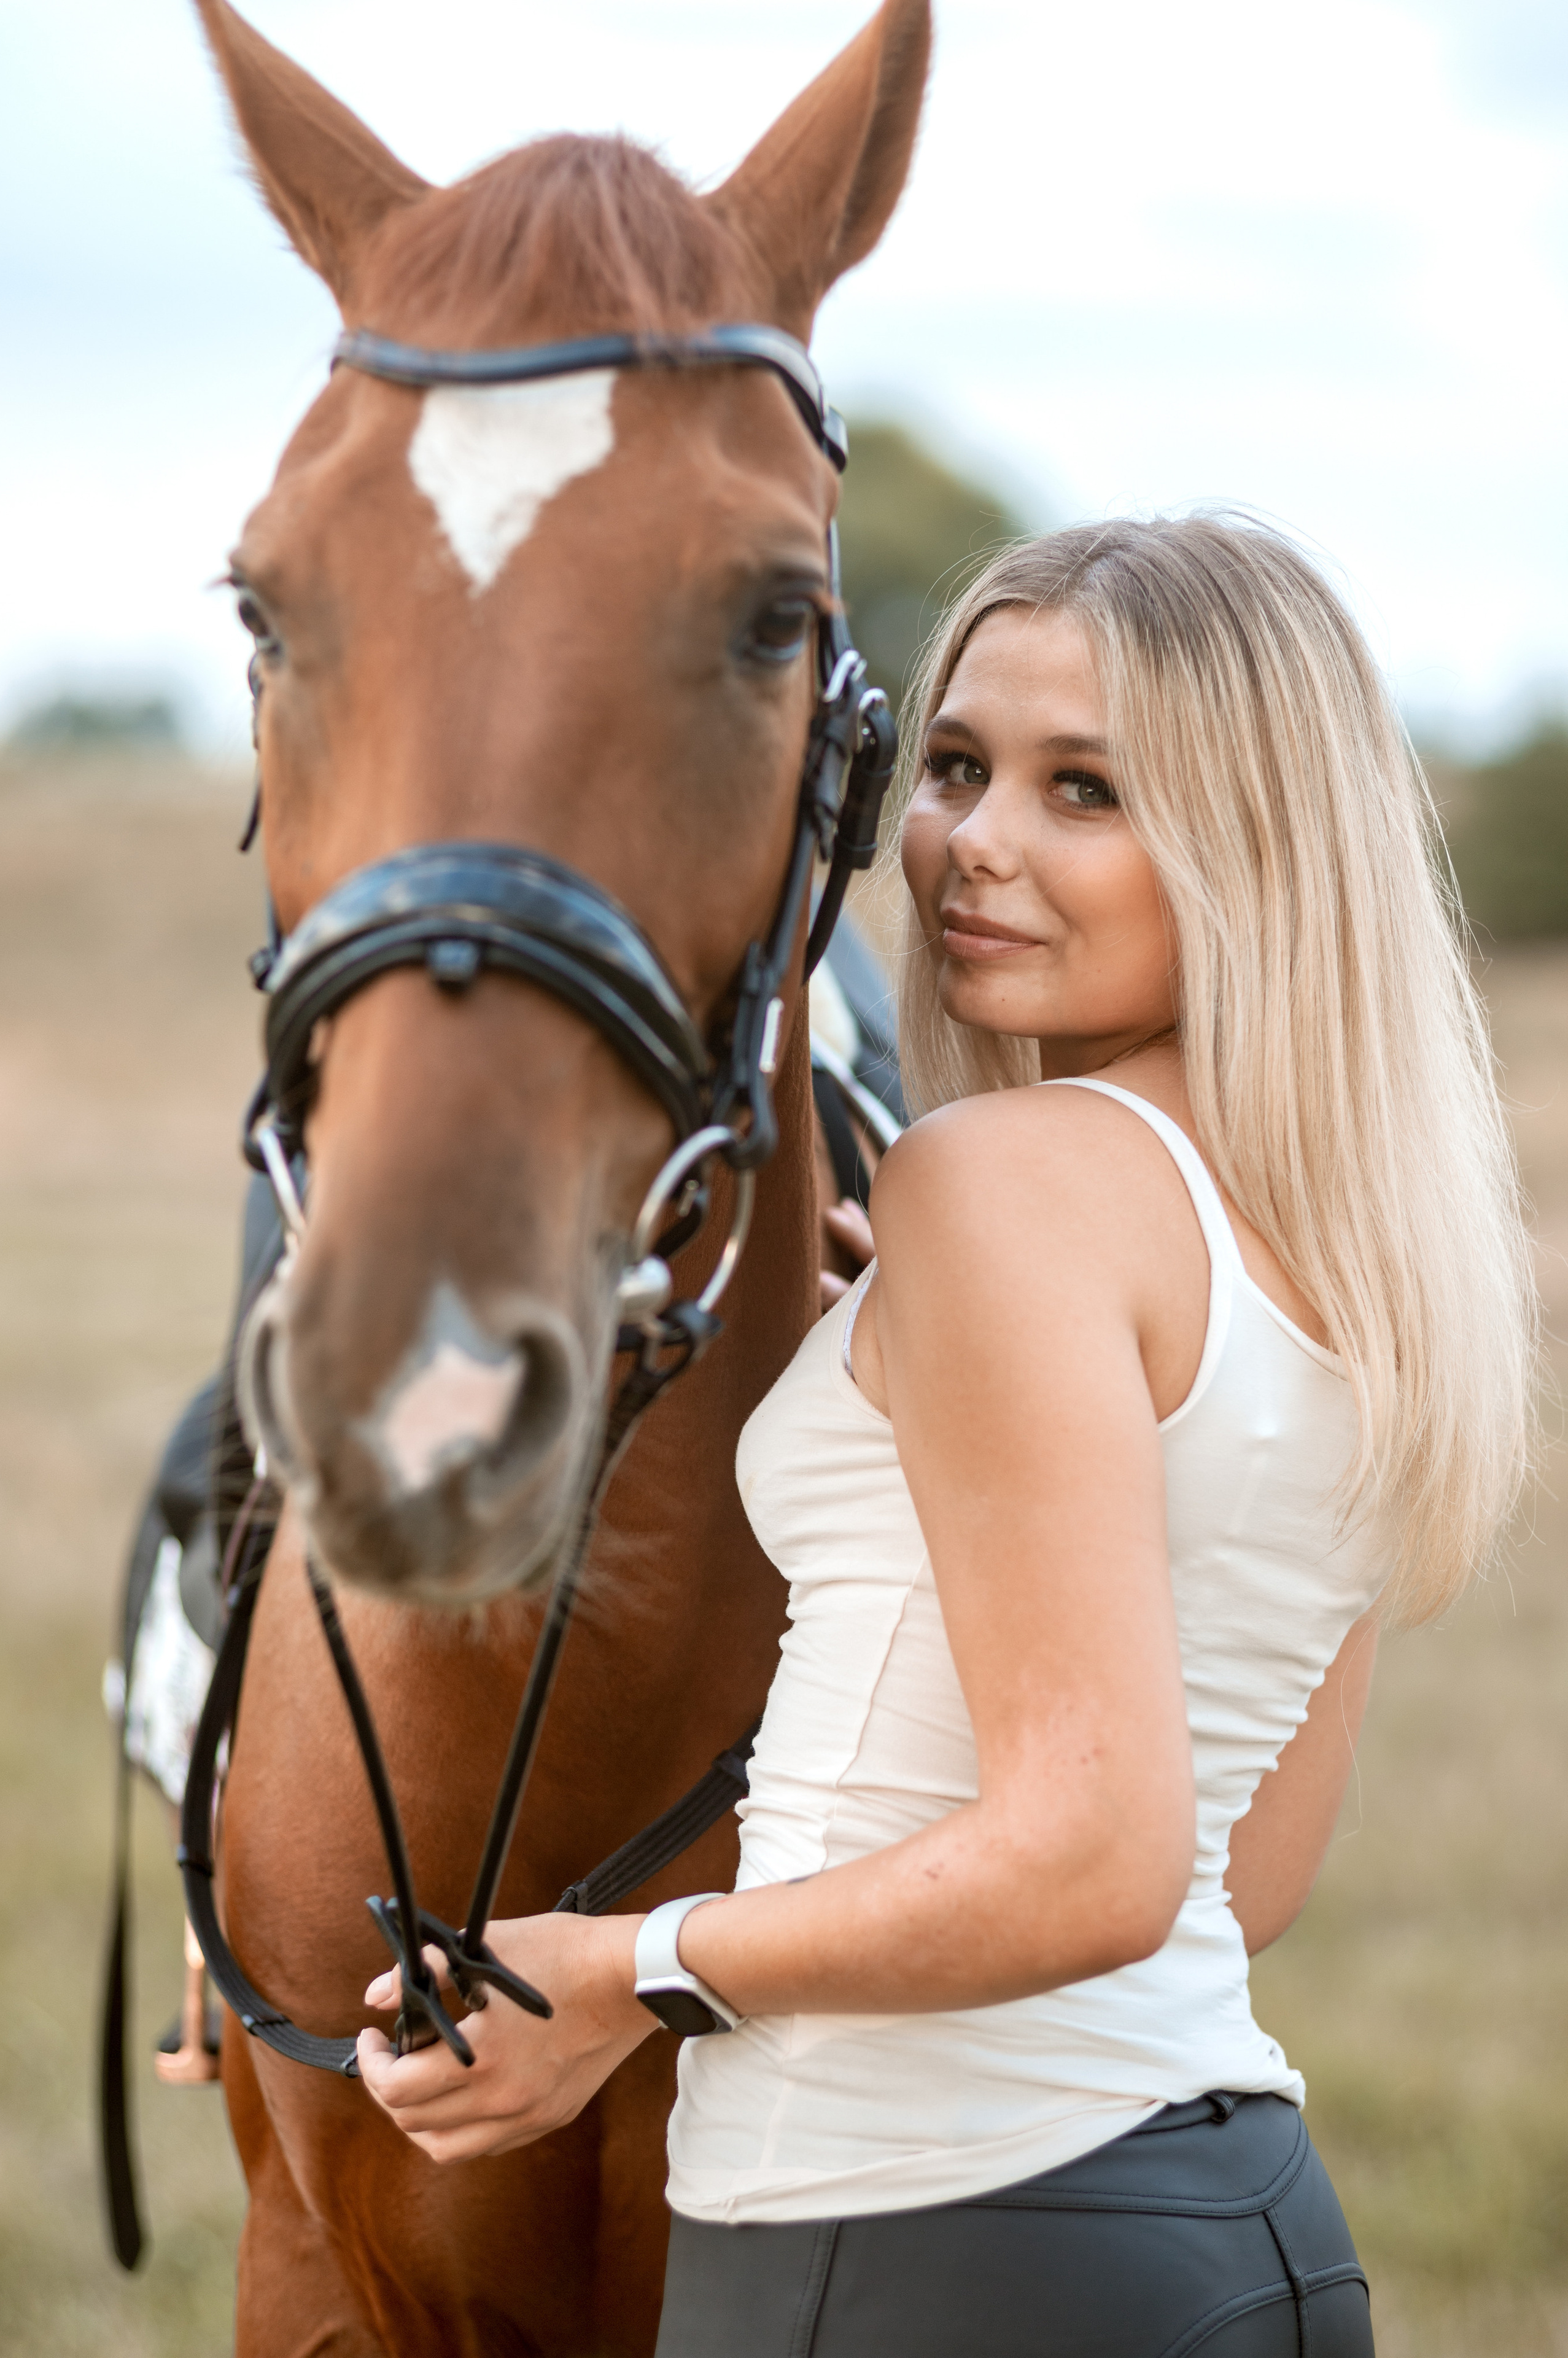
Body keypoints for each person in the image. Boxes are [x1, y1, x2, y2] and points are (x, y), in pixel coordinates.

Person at [357, 517, 1537, 2356]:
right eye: (962, 766)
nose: (974, 842)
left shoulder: (999, 1183)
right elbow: (1249, 1873)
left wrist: (621, 1974)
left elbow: (1099, 1856)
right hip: (1242, 2239)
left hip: (912, 2238)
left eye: (1088, 791)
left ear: (1257, 853)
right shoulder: (1358, 1256)